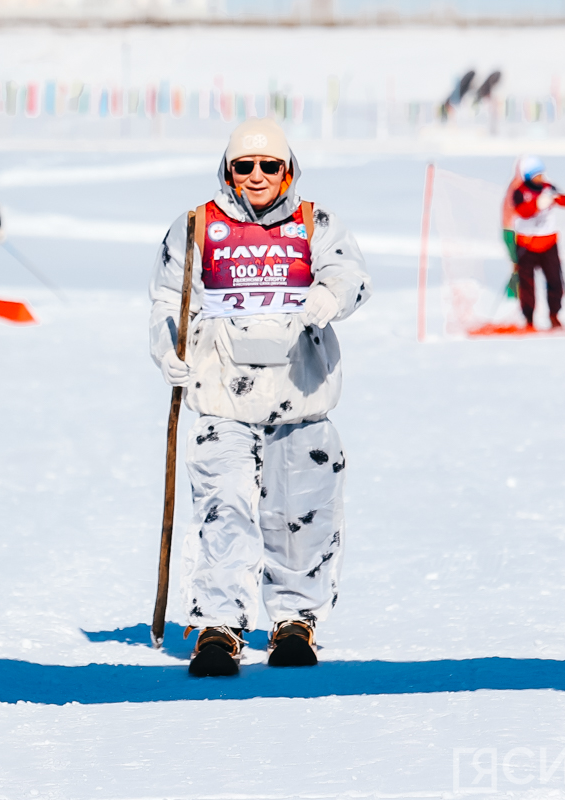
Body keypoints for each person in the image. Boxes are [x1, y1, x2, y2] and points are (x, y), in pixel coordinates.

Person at [148, 118, 371, 677]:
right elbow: (167, 299)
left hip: (301, 394)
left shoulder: (314, 222)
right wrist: (167, 348)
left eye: (269, 165)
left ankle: (296, 621)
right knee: (225, 508)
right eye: (243, 166)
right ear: (227, 169)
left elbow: (352, 274)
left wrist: (330, 294)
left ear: (287, 169)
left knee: (300, 514)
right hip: (222, 393)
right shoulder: (197, 226)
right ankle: (220, 625)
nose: (256, 176)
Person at [507, 156, 565, 330]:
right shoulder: (520, 191)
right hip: (527, 244)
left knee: (555, 280)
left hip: (548, 243)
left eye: (541, 173)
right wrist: (537, 205)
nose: (540, 177)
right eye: (536, 174)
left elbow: (564, 201)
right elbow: (522, 211)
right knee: (527, 284)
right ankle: (529, 319)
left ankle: (554, 315)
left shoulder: (549, 188)